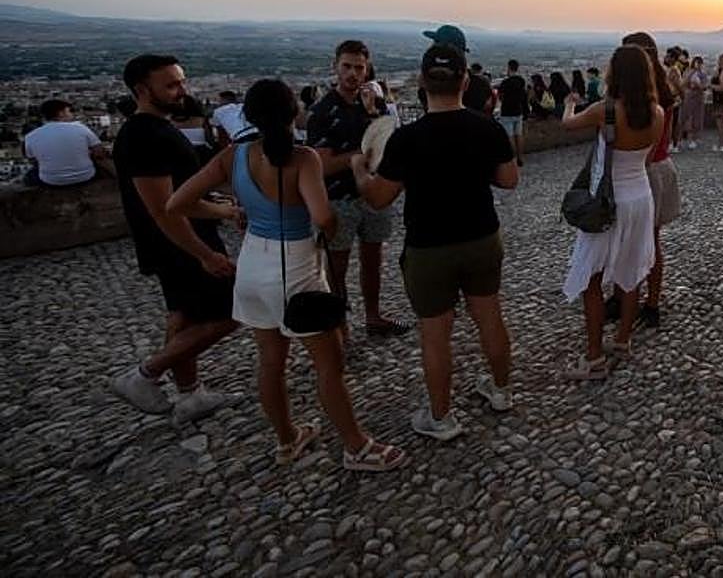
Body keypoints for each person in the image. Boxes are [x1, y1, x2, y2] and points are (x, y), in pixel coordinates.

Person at [166, 79, 404, 471]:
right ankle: (357, 447)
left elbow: (178, 202)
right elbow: (323, 216)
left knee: (270, 362)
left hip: (252, 265)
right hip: (295, 265)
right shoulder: (302, 159)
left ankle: (287, 439)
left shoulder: (232, 157)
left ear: (250, 116)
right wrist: (327, 234)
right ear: (294, 112)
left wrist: (227, 212)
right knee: (329, 365)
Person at [353, 45, 519, 440]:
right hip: (481, 236)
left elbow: (378, 199)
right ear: (465, 81)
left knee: (435, 332)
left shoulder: (407, 139)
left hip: (429, 246)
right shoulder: (488, 128)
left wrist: (360, 171)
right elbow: (509, 180)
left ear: (423, 83)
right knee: (490, 316)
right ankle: (500, 392)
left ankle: (441, 418)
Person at [110, 54, 239, 422]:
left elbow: (179, 194)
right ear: (141, 90)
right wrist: (205, 253)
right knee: (231, 312)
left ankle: (190, 393)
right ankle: (144, 374)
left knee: (182, 315)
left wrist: (216, 207)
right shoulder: (144, 136)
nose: (182, 90)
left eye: (181, 81)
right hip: (179, 243)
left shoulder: (154, 129)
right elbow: (165, 208)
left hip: (175, 241)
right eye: (171, 84)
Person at [560, 45, 664, 380]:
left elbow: (568, 125)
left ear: (614, 73)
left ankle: (593, 358)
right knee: (631, 271)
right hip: (640, 197)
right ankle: (622, 341)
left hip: (607, 200)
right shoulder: (657, 113)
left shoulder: (603, 110)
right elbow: (646, 160)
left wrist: (569, 104)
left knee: (591, 278)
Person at [306, 40, 407, 337]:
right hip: (339, 198)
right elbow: (321, 165)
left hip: (375, 194)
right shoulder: (322, 112)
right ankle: (341, 325)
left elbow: (388, 143)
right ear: (335, 66)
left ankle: (373, 317)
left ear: (367, 70)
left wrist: (376, 115)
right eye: (347, 66)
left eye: (359, 68)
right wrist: (357, 158)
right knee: (337, 267)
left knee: (373, 260)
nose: (353, 74)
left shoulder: (376, 107)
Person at [621, 32, 682, 329]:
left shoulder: (638, 98)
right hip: (662, 166)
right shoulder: (666, 92)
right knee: (652, 242)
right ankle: (652, 303)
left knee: (625, 243)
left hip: (638, 171)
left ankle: (623, 297)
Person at [22, 99, 112, 187]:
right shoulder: (80, 128)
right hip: (85, 176)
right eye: (69, 111)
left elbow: (33, 160)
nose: (72, 114)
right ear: (61, 113)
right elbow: (99, 153)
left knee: (29, 175)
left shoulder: (31, 136)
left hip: (50, 180)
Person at [497, 60, 530, 167]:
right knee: (519, 135)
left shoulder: (505, 82)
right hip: (518, 111)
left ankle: (513, 158)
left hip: (507, 112)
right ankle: (521, 157)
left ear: (509, 68)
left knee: (510, 136)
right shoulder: (521, 81)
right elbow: (524, 96)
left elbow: (500, 97)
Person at [170, 95, 215, 164]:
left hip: (179, 154)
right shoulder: (201, 120)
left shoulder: (170, 122)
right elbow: (210, 140)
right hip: (201, 153)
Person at [679, 56, 706, 149]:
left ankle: (694, 139)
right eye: (696, 62)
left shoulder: (702, 74)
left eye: (699, 63)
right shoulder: (688, 72)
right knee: (685, 117)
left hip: (698, 96)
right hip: (689, 96)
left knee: (696, 118)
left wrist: (699, 86)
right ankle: (682, 138)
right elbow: (683, 83)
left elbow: (704, 86)